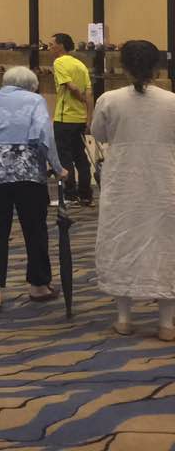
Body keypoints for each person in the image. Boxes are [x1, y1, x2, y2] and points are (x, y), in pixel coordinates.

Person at [91, 40, 175, 340]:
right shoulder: (172, 101)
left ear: (124, 67)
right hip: (164, 182)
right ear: (157, 67)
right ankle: (167, 324)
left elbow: (98, 134)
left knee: (121, 243)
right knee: (166, 245)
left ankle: (124, 319)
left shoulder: (109, 99)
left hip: (122, 183)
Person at [0, 66, 68, 312]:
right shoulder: (35, 100)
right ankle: (39, 286)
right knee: (35, 229)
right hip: (27, 172)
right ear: (32, 86)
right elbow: (44, 135)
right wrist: (58, 167)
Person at [49, 33, 94, 207]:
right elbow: (89, 93)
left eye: (52, 44)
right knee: (80, 157)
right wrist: (88, 119)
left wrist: (80, 98)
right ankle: (85, 194)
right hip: (80, 119)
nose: (50, 48)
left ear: (61, 46)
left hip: (64, 118)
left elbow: (71, 87)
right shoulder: (80, 65)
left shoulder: (59, 62)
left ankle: (70, 194)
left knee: (64, 157)